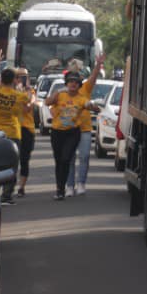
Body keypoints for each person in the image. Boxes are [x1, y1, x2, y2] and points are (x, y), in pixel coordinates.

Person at [46, 54, 104, 199]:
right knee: (67, 159)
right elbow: (49, 103)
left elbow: (94, 79)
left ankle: (81, 184)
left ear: (80, 81)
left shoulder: (84, 90)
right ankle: (69, 186)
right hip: (60, 130)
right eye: (70, 80)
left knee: (83, 156)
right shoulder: (62, 93)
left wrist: (98, 64)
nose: (73, 83)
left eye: (76, 80)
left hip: (81, 129)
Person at [0, 58, 24, 204]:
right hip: (14, 133)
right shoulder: (19, 96)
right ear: (14, 80)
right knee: (13, 164)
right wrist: (21, 87)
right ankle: (7, 195)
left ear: (2, 79)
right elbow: (29, 100)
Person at [13, 67, 37, 198]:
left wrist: (23, 93)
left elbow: (28, 107)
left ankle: (21, 187)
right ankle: (9, 185)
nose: (21, 79)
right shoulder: (10, 91)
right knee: (12, 159)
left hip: (27, 129)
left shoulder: (31, 91)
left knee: (24, 159)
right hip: (13, 128)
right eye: (19, 76)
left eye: (24, 76)